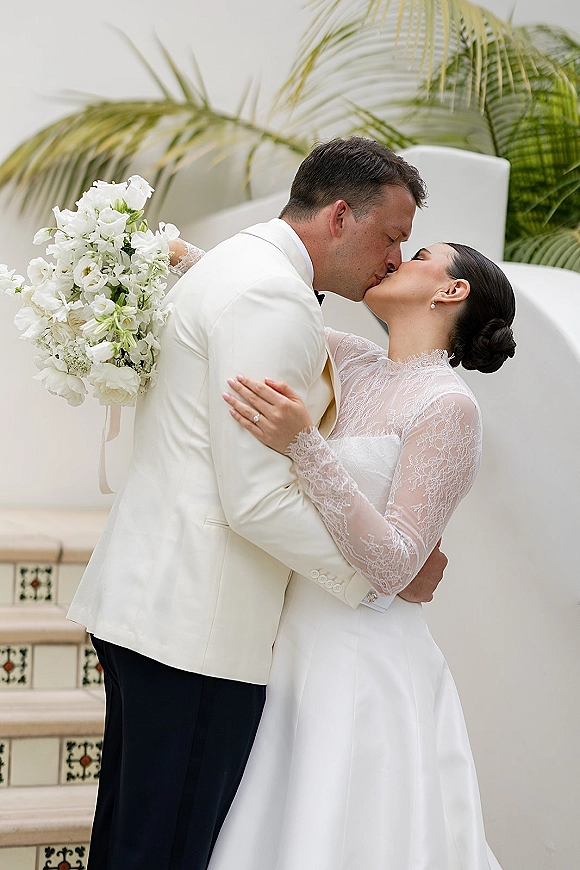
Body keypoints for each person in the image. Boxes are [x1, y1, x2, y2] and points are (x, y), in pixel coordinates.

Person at [67, 138, 448, 870]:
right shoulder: (270, 294)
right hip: (197, 629)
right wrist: (379, 577)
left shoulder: (244, 267)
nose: (397, 258)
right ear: (340, 216)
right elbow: (255, 501)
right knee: (164, 849)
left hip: (156, 608)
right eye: (393, 236)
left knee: (132, 838)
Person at [173, 240, 516, 868]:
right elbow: (257, 294)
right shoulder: (353, 360)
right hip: (290, 644)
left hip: (363, 659)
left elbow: (394, 567)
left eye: (418, 254)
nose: (394, 259)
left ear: (451, 290)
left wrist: (305, 444)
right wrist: (152, 247)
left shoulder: (449, 406)